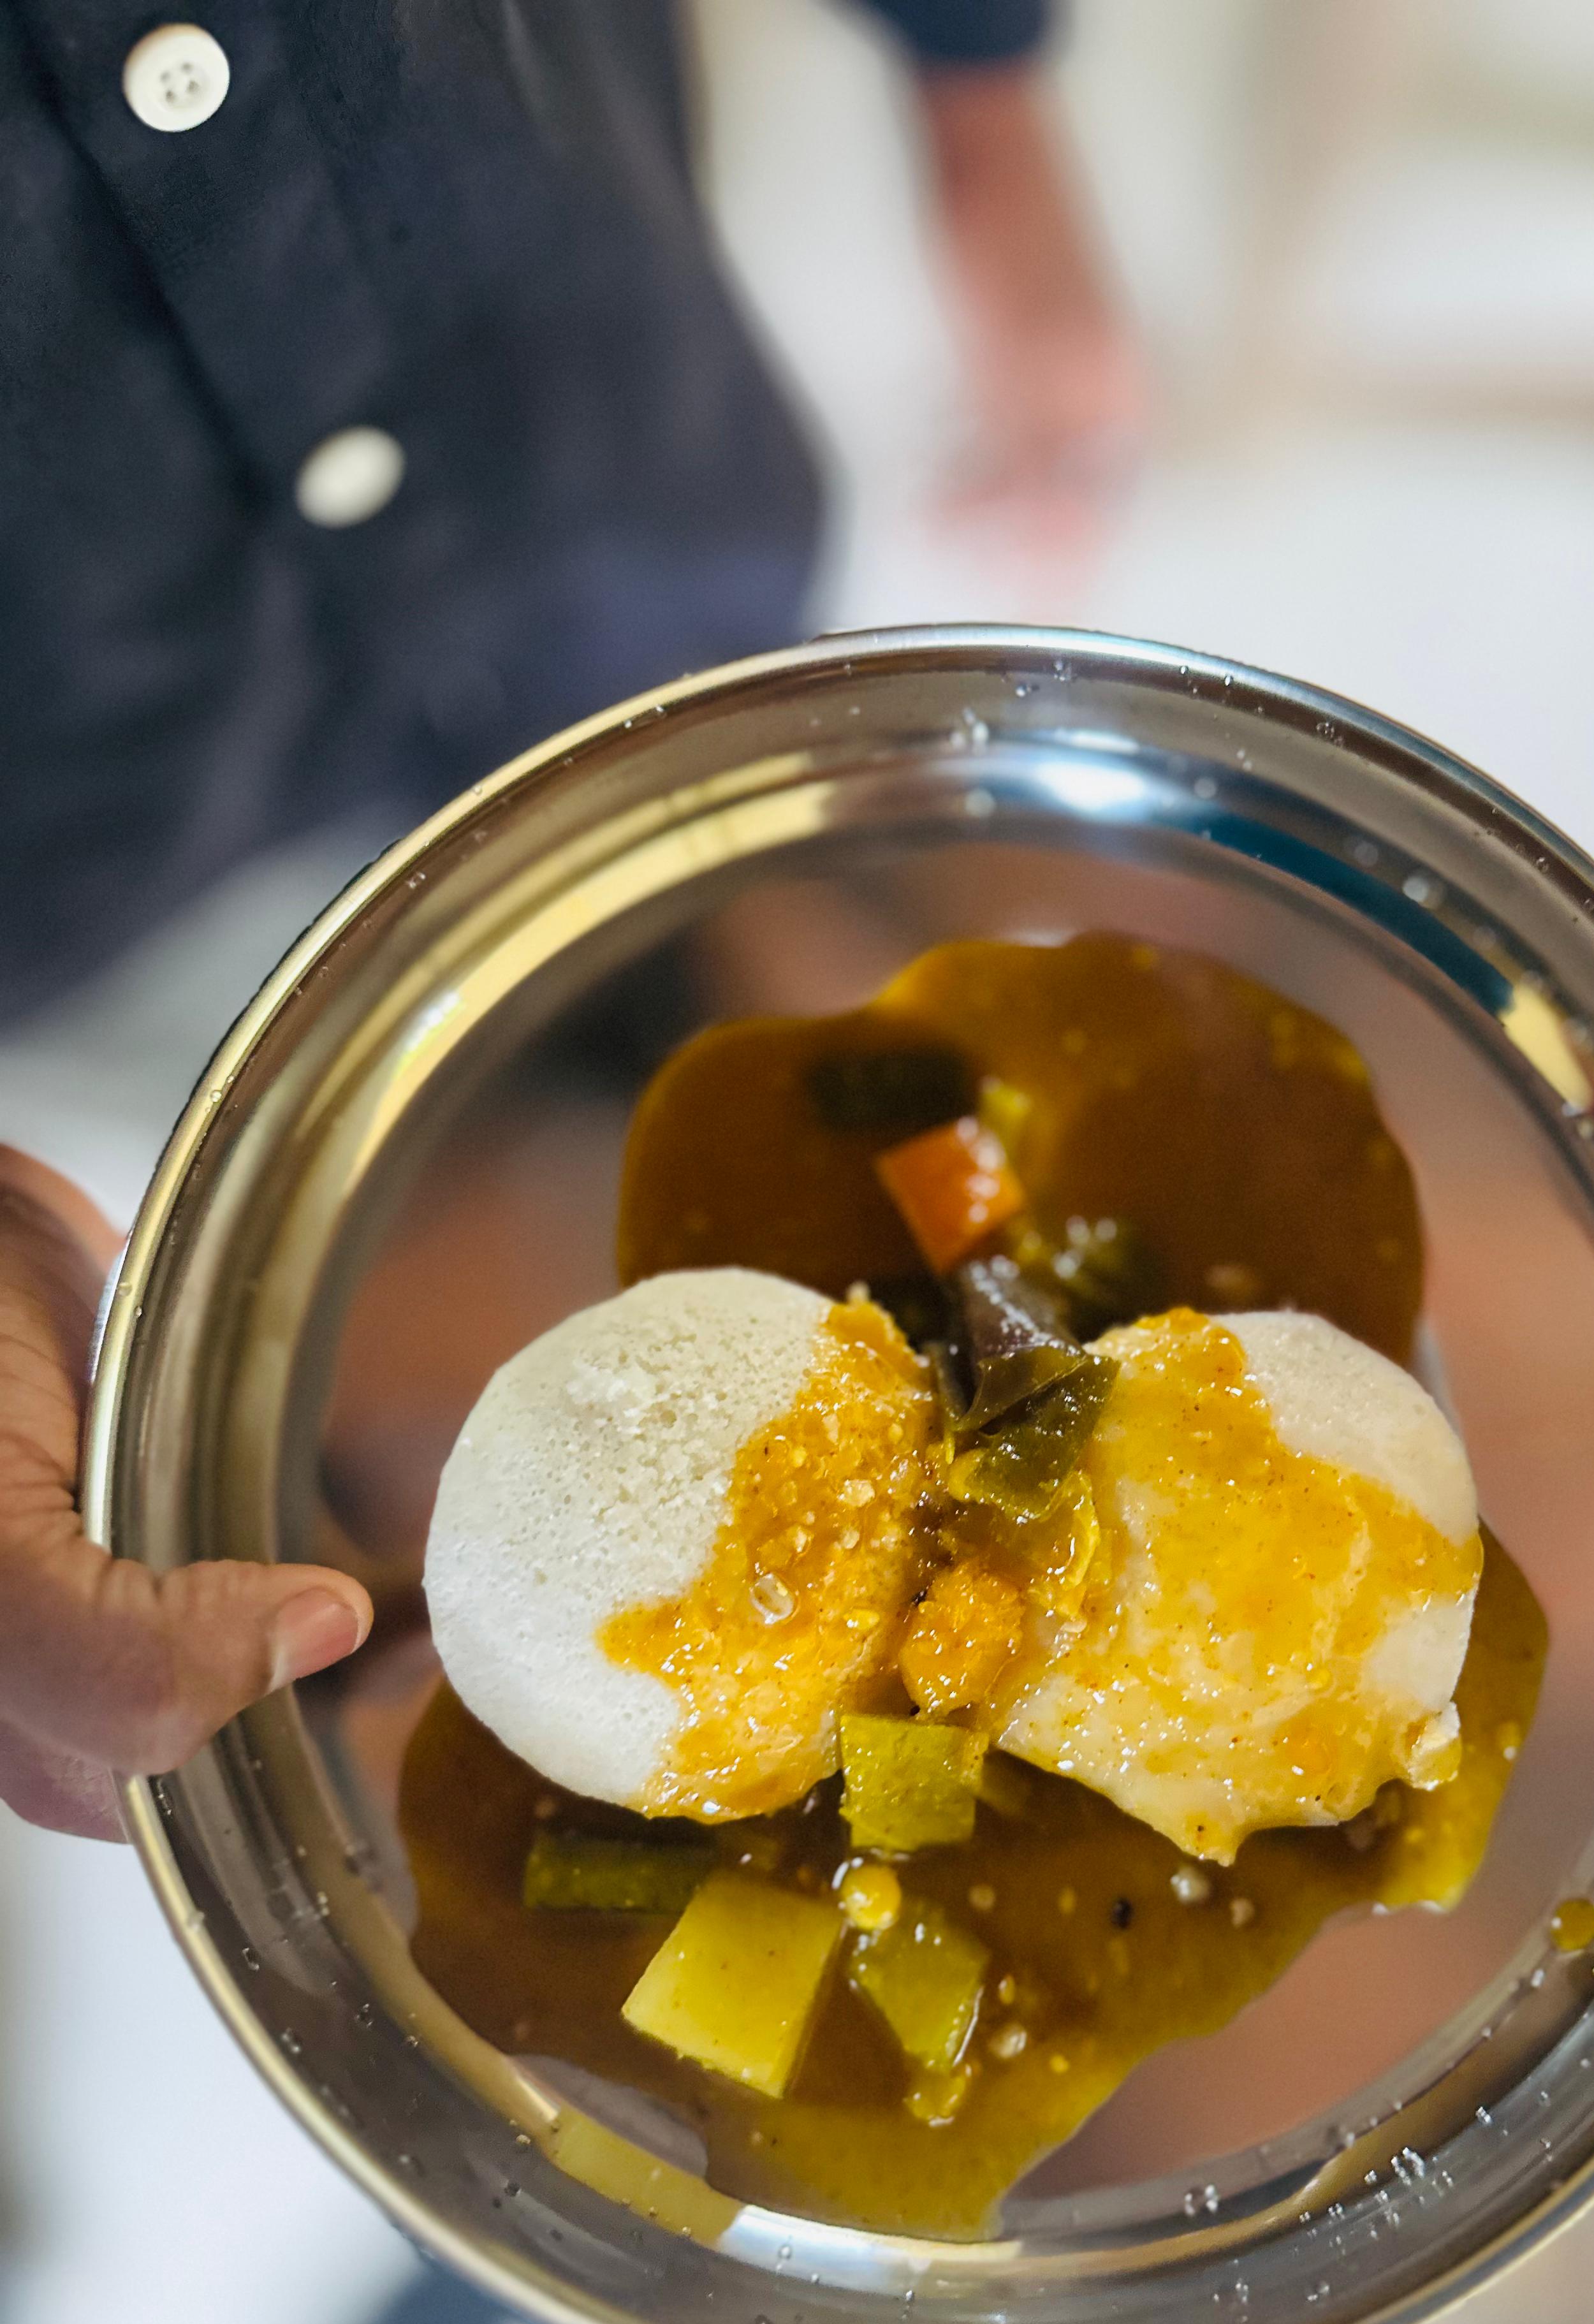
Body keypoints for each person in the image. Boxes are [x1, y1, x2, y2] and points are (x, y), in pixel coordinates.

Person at [0, 0, 1145, 1842]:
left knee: (797, 1012)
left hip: (615, 533)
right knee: (380, 1248)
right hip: (102, 846)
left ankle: (858, 1144)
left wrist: (981, 99)